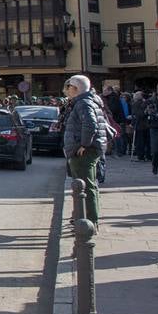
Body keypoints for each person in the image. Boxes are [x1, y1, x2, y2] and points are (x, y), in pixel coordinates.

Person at [62, 75, 108, 225]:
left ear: (76, 88)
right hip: (88, 149)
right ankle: (83, 217)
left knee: (85, 187)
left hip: (85, 151)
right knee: (87, 186)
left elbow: (90, 124)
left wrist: (84, 144)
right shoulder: (88, 101)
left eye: (69, 87)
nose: (67, 90)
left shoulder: (83, 103)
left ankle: (89, 222)